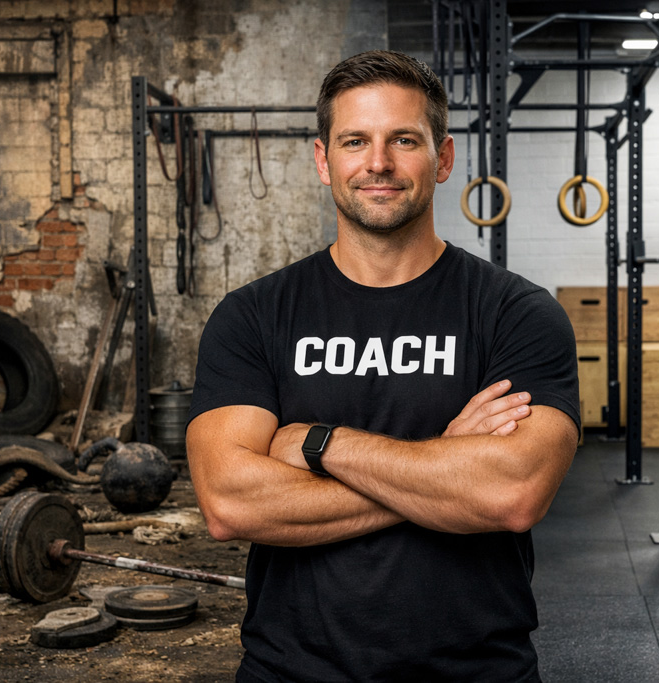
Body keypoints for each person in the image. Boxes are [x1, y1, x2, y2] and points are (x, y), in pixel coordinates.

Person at [187, 49, 580, 682]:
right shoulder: (253, 316)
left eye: (404, 139)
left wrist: (320, 443)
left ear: (443, 158)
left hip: (476, 672)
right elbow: (230, 502)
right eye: (354, 141)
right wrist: (444, 466)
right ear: (323, 161)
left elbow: (511, 493)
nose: (378, 163)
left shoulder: (517, 314)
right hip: (291, 672)